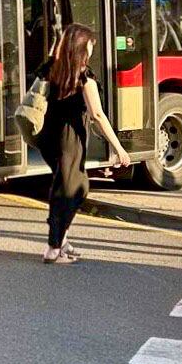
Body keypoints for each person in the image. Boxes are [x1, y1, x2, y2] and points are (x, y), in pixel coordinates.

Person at [36, 23, 130, 264]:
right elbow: (97, 115)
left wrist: (59, 42)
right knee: (73, 191)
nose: (92, 48)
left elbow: (49, 62)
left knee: (65, 186)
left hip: (49, 136)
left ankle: (62, 240)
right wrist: (119, 148)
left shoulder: (52, 68)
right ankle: (53, 247)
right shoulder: (83, 78)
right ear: (81, 48)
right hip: (70, 140)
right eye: (90, 44)